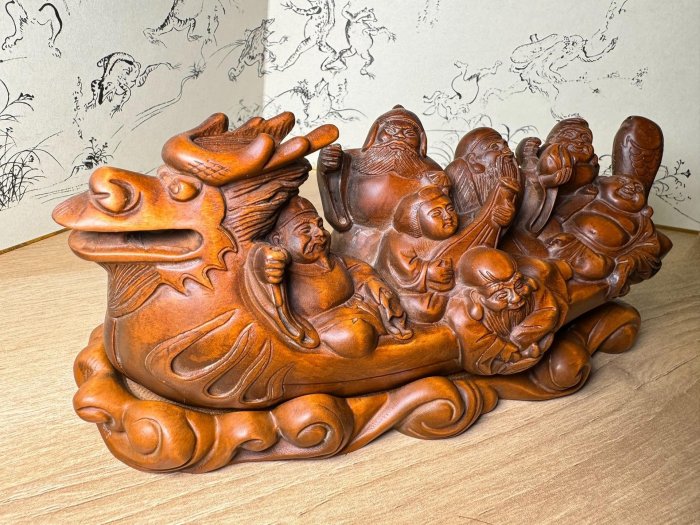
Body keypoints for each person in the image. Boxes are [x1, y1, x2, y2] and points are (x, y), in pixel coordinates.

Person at [257, 196, 411, 358]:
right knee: (357, 336)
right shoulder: (284, 271)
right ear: (278, 241)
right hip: (323, 326)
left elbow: (358, 268)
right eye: (306, 230)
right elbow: (263, 285)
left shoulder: (334, 259)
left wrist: (370, 281)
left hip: (359, 310)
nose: (319, 233)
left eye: (320, 225)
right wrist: (265, 266)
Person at [444, 247, 567, 375]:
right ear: (475, 296)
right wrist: (506, 349)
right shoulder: (461, 313)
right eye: (502, 295)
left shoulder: (530, 287)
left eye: (517, 286)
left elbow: (549, 310)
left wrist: (519, 338)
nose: (516, 298)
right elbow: (477, 343)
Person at [376, 185, 459, 323]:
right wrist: (428, 271)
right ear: (415, 221)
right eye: (436, 214)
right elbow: (405, 270)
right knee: (428, 310)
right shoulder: (399, 240)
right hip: (407, 293)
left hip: (443, 287)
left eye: (450, 209)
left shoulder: (451, 234)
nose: (448, 216)